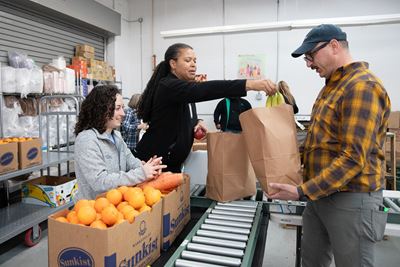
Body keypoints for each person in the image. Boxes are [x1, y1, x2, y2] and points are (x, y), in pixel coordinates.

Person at [268, 24, 391, 267]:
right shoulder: (331, 88)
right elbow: (320, 142)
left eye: (310, 56)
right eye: (306, 58)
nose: (309, 63)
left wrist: (301, 191)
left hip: (351, 199)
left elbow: (353, 158)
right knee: (312, 261)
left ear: (334, 46)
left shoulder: (361, 86)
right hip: (320, 195)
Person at [135, 43, 276, 172]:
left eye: (195, 61)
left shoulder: (180, 89)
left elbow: (172, 118)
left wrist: (194, 123)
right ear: (173, 63)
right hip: (153, 163)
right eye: (188, 60)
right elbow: (206, 89)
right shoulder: (169, 86)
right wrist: (250, 84)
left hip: (170, 164)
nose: (193, 65)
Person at [74, 85, 166, 200]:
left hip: (115, 205)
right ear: (101, 109)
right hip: (92, 210)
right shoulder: (86, 140)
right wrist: (141, 173)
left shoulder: (116, 136)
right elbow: (100, 182)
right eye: (118, 108)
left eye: (122, 107)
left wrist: (149, 167)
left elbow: (130, 161)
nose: (123, 113)